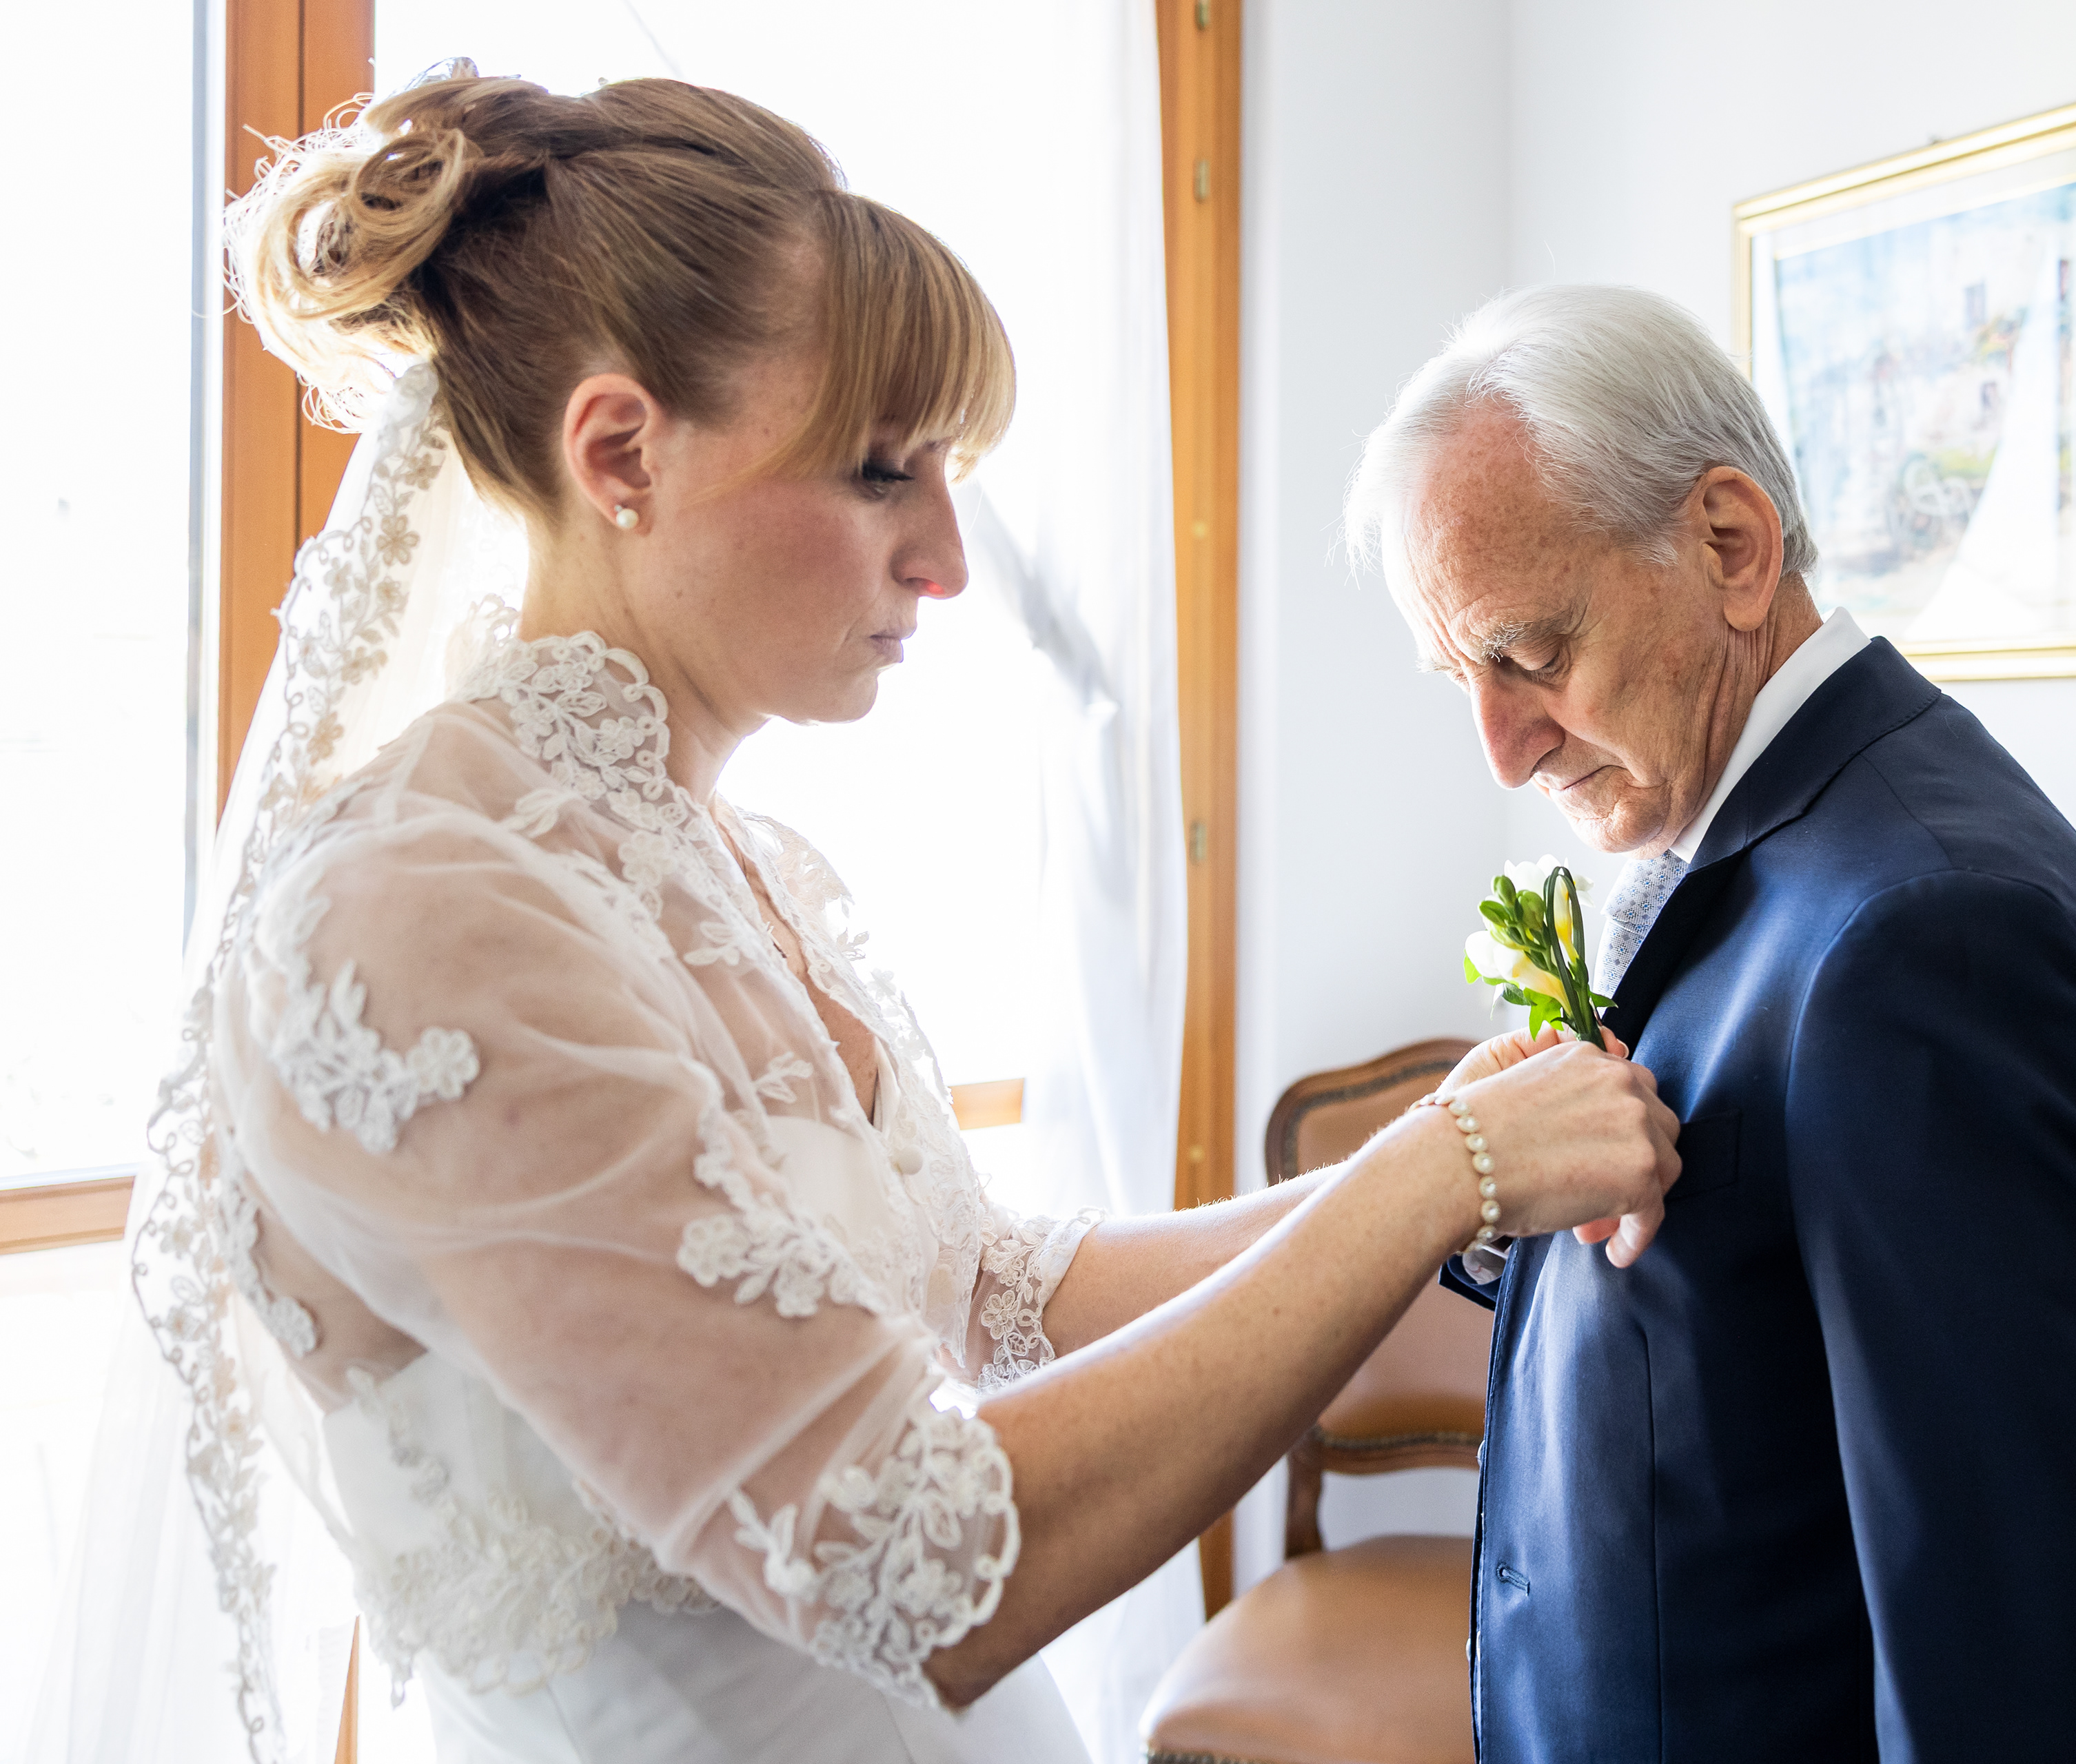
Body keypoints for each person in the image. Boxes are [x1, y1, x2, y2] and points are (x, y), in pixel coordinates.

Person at [112, 72, 1680, 1764]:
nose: (946, 556)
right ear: (621, 452)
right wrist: (1438, 1174)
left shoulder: (743, 866)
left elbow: (994, 1285)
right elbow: (906, 1557)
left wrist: (1451, 1147)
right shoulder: (424, 907)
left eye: (946, 471)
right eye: (881, 472)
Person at [1345, 285, 2076, 1761]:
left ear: (1731, 547)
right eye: (1463, 679)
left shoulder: (1930, 943)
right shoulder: (1746, 826)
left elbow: (2033, 1657)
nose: (1501, 748)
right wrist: (1501, 1194)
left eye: (1533, 653)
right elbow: (1746, 1324)